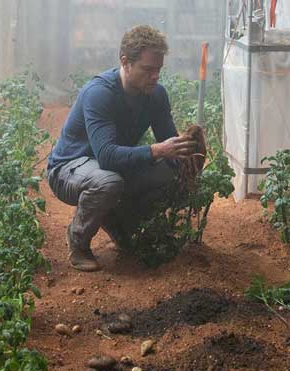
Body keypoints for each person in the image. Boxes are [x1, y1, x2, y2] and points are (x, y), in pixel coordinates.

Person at [47, 25, 196, 272]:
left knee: (170, 172)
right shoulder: (100, 93)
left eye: (158, 69)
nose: (155, 76)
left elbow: (168, 143)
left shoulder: (156, 95)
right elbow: (106, 156)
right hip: (69, 168)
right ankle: (78, 242)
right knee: (108, 182)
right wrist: (158, 150)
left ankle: (119, 223)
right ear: (125, 62)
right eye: (147, 69)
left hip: (111, 167)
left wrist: (186, 152)